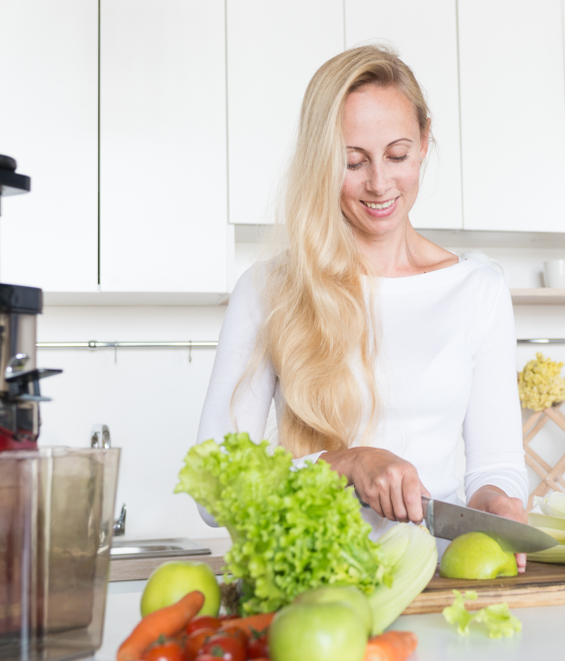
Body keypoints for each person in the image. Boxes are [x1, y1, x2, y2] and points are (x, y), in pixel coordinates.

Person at [197, 45, 528, 568]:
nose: (379, 183)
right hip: (316, 588)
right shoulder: (269, 288)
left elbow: (499, 465)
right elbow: (212, 488)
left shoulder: (477, 289)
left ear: (424, 141)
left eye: (397, 155)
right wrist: (344, 464)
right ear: (321, 161)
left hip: (438, 587)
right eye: (353, 162)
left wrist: (496, 501)